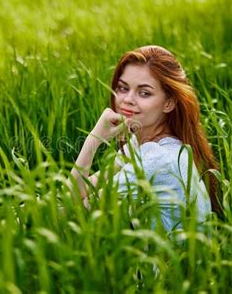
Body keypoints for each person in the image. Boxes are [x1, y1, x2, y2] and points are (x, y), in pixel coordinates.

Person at [70, 45, 219, 231]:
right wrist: (93, 139)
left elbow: (76, 213)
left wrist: (92, 141)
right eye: (123, 88)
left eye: (144, 93)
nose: (128, 99)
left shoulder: (157, 158)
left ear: (169, 103)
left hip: (169, 260)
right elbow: (76, 195)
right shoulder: (142, 143)